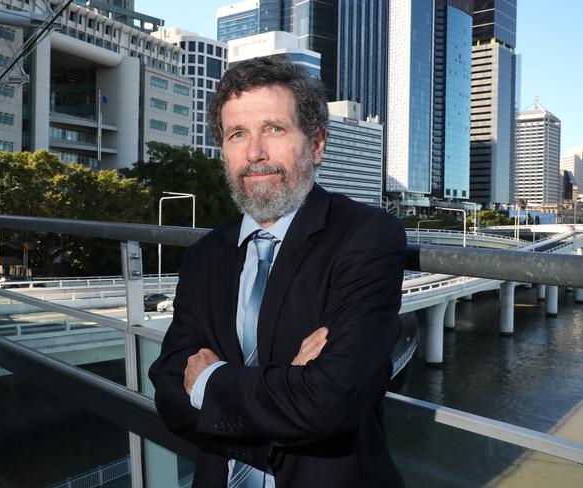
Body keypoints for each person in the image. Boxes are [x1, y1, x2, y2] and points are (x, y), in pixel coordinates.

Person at [149, 55, 406, 487]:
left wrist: (210, 384)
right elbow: (169, 394)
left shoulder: (366, 236)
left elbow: (332, 399)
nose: (254, 153)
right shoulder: (205, 256)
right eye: (237, 134)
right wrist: (290, 387)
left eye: (274, 129)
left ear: (317, 143)